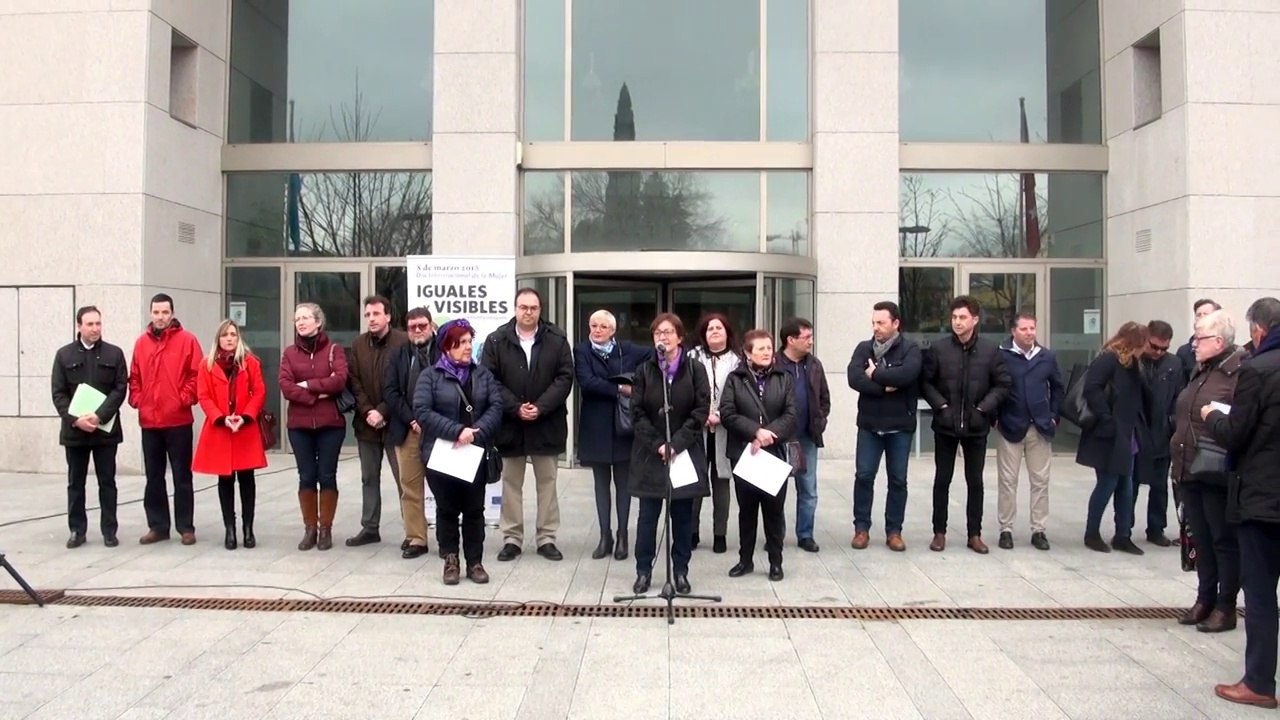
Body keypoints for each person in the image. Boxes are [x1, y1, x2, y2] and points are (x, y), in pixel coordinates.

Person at [1201, 297, 1280, 709]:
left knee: (1263, 594)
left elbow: (1236, 433)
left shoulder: (1259, 369)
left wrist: (1213, 415)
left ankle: (1259, 683)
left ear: (1258, 330)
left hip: (1264, 500)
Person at [1170, 309, 1249, 633]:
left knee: (1222, 540)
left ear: (1218, 341)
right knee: (1200, 539)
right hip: (1190, 469)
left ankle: (1225, 605)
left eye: (1199, 337)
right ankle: (1204, 598)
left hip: (1215, 470)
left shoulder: (1238, 373)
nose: (1193, 344)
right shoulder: (1202, 370)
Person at [483, 288, 575, 562]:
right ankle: (512, 538)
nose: (528, 312)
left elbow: (565, 377)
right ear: (514, 308)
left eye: (533, 308)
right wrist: (515, 407)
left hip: (547, 422)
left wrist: (541, 407)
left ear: (540, 310)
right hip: (511, 424)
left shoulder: (557, 339)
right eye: (523, 307)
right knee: (511, 483)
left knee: (547, 482)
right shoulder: (497, 339)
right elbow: (490, 379)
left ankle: (546, 538)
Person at [414, 319, 503, 585]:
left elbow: (496, 407)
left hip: (474, 453)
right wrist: (456, 431)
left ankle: (475, 561)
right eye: (461, 342)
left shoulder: (482, 374)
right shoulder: (430, 376)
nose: (467, 347)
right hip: (441, 454)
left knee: (475, 510)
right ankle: (450, 560)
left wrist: (475, 432)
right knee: (446, 509)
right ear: (446, 347)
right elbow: (422, 411)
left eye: (469, 341)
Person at [921, 296, 1011, 554]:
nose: (957, 322)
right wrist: (942, 407)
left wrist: (982, 409)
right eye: (954, 318)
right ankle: (939, 532)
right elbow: (926, 383)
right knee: (942, 480)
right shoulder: (939, 349)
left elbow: (1003, 384)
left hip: (976, 426)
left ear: (975, 320)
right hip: (946, 425)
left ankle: (975, 534)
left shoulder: (991, 350)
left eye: (962, 317)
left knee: (976, 481)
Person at [629, 313, 711, 596]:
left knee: (682, 516)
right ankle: (643, 570)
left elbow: (700, 411)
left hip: (684, 453)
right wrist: (658, 445)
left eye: (667, 332)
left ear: (679, 336)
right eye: (657, 334)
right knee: (648, 517)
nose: (662, 338)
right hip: (651, 454)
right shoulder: (644, 370)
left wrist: (676, 444)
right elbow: (636, 412)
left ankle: (680, 570)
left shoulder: (695, 369)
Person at [719, 329, 797, 581]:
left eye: (768, 347)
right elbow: (728, 413)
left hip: (773, 451)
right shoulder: (735, 379)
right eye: (760, 348)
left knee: (774, 511)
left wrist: (768, 434)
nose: (766, 352)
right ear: (747, 353)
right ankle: (745, 560)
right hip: (745, 453)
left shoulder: (783, 377)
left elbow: (791, 414)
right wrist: (754, 431)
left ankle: (776, 561)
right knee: (747, 510)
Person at [847, 302, 922, 552]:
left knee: (898, 480)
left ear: (896, 323)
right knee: (864, 476)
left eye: (881, 323)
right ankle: (861, 528)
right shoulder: (864, 348)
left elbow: (907, 376)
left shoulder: (910, 348)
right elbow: (854, 378)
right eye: (874, 323)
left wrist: (876, 373)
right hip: (869, 425)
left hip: (900, 426)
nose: (876, 328)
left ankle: (894, 531)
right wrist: (885, 386)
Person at [128, 293, 202, 545]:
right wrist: (138, 399)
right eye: (156, 312)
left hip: (178, 419)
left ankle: (185, 527)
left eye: (165, 312)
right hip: (149, 420)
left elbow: (197, 375)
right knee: (154, 476)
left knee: (182, 476)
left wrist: (183, 398)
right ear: (150, 313)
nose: (160, 317)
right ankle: (158, 526)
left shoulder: (187, 341)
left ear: (172, 313)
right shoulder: (141, 343)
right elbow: (134, 376)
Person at [51, 305, 127, 548]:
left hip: (105, 431)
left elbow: (120, 388)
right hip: (75, 432)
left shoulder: (114, 354)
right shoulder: (64, 355)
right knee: (76, 482)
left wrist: (99, 416)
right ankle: (77, 530)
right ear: (79, 326)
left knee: (107, 482)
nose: (95, 329)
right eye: (90, 324)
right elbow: (58, 393)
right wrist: (75, 419)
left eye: (98, 324)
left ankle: (109, 531)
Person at [574, 309, 648, 560]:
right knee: (600, 483)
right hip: (595, 426)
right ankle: (605, 536)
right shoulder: (582, 351)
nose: (596, 330)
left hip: (623, 426)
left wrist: (638, 385)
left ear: (613, 330)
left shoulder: (625, 349)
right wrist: (619, 388)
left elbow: (653, 356)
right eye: (593, 325)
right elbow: (587, 382)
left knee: (624, 484)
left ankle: (622, 536)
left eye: (602, 326)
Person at [192, 320, 268, 551]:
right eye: (225, 335)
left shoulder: (251, 363)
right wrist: (221, 417)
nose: (229, 338)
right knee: (225, 479)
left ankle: (248, 528)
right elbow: (203, 396)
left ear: (238, 337)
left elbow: (260, 391)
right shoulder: (206, 364)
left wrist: (245, 416)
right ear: (218, 338)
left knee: (247, 479)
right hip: (220, 428)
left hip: (244, 428)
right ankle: (230, 529)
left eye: (233, 334)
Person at [280, 303, 348, 552]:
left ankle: (326, 529)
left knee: (327, 475)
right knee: (306, 475)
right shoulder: (289, 353)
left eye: (306, 317)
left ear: (318, 322)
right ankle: (310, 528)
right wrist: (315, 394)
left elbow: (339, 380)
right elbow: (286, 386)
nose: (300, 322)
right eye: (297, 318)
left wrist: (307, 384)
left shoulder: (334, 350)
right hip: (299, 425)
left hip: (330, 424)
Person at [1077, 321, 1148, 555]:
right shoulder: (1108, 359)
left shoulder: (1133, 363)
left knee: (1126, 486)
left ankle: (1123, 535)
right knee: (1107, 483)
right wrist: (1106, 418)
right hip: (1108, 432)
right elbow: (1092, 388)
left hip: (1127, 432)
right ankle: (1092, 532)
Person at [994, 313, 1064, 551]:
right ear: (1013, 331)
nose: (1029, 333)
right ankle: (1006, 529)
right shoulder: (1002, 355)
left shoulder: (1046, 357)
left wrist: (1054, 416)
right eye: (1024, 329)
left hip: (1040, 428)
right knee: (1007, 481)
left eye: (1032, 328)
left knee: (1040, 481)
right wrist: (995, 418)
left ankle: (1039, 530)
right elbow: (992, 386)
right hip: (1010, 426)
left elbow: (1058, 388)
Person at [345, 295, 409, 548]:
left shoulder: (403, 342)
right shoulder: (358, 344)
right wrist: (368, 411)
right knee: (368, 478)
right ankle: (370, 527)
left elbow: (404, 384)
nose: (371, 319)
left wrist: (383, 411)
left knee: (404, 480)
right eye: (368, 315)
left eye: (376, 314)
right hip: (366, 425)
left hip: (396, 425)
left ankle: (413, 532)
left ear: (388, 316)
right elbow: (355, 382)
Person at [384, 306, 440, 559]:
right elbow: (391, 392)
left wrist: (431, 420)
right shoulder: (398, 354)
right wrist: (412, 419)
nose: (417, 330)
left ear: (431, 325)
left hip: (440, 431)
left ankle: (448, 540)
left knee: (445, 487)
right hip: (408, 430)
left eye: (422, 325)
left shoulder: (446, 351)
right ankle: (417, 538)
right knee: (410, 487)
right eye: (412, 327)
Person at [776, 317, 831, 553]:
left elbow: (824, 399)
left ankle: (805, 534)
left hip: (806, 437)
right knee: (775, 490)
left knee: (808, 489)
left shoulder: (814, 364)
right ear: (790, 340)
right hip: (778, 438)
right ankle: (775, 534)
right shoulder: (773, 363)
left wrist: (820, 419)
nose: (811, 341)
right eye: (806, 337)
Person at [687, 313, 741, 553]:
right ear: (704, 334)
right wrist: (703, 414)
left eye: (719, 328)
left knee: (721, 482)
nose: (715, 332)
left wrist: (720, 415)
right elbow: (687, 390)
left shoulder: (737, 361)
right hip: (697, 428)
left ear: (727, 332)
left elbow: (739, 394)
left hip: (725, 429)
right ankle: (691, 532)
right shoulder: (692, 357)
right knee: (695, 482)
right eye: (710, 329)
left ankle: (720, 533)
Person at [1136, 320, 1184, 546]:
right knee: (1130, 484)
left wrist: (1171, 423)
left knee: (1159, 485)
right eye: (1154, 347)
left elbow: (1180, 397)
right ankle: (1123, 528)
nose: (1158, 352)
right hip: (1137, 431)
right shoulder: (1135, 360)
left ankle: (1156, 528)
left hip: (1162, 432)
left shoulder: (1174, 363)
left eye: (1163, 348)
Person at [1176, 298, 1221, 380]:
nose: (1202, 317)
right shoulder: (1184, 352)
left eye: (1206, 314)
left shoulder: (1224, 348)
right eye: (1198, 314)